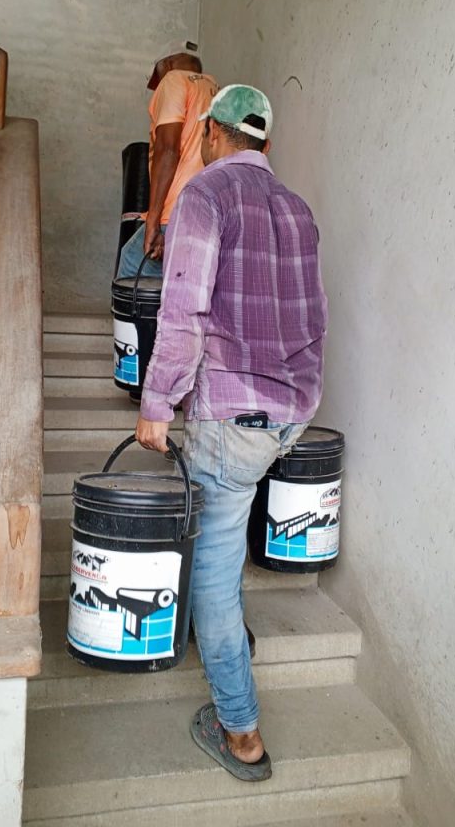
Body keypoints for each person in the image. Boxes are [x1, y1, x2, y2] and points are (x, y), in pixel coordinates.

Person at [135, 85, 328, 782]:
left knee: (214, 575)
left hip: (230, 413)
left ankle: (240, 732)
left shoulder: (205, 196)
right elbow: (314, 318)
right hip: (288, 413)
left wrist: (157, 401)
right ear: (266, 143)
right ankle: (230, 645)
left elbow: (183, 310)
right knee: (228, 532)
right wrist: (298, 404)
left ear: (213, 133)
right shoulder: (298, 210)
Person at [116, 42, 218, 279]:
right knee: (178, 285)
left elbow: (168, 149)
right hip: (207, 212)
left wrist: (153, 220)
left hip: (175, 211)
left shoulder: (173, 80)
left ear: (167, 64)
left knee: (131, 269)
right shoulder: (215, 88)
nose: (157, 83)